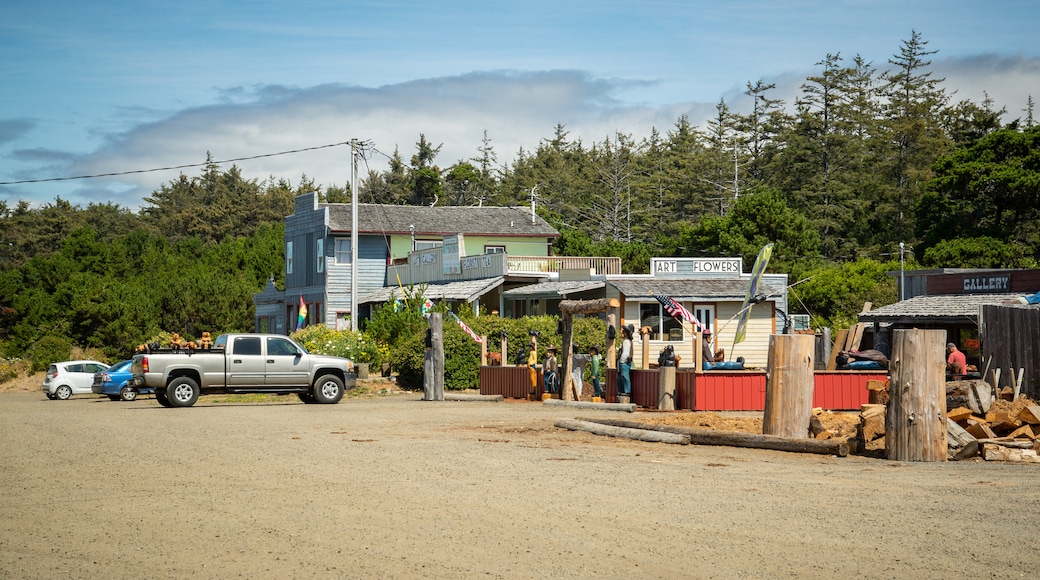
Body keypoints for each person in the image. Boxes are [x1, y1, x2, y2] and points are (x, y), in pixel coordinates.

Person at [618, 325, 634, 397]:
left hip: (624, 362)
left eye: (624, 331)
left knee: (625, 376)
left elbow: (626, 353)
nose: (622, 332)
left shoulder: (626, 341)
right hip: (623, 362)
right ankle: (622, 391)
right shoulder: (625, 341)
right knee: (621, 377)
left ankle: (627, 391)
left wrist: (622, 360)